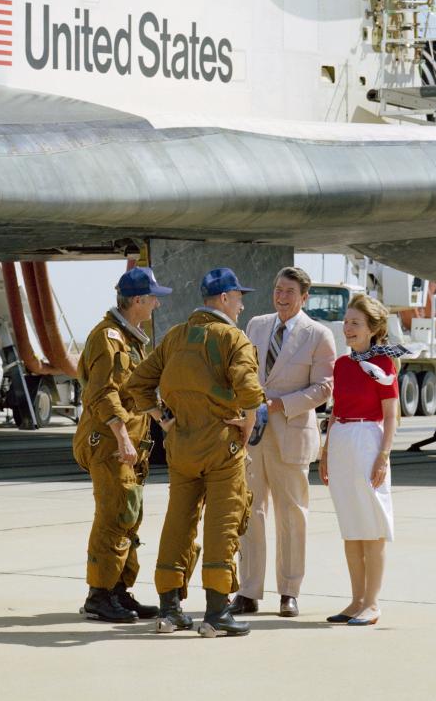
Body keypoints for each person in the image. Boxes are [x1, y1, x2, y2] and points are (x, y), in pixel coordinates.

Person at [126, 267, 266, 637]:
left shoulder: (175, 336)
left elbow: (137, 384)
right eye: (238, 297)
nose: (240, 304)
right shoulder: (232, 339)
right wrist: (248, 426)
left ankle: (170, 611)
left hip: (182, 444)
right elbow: (251, 392)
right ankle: (217, 614)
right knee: (224, 521)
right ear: (224, 298)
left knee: (178, 521)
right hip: (221, 444)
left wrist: (164, 419)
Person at [230, 266, 335, 618]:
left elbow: (324, 388)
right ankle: (248, 590)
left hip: (290, 431)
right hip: (254, 435)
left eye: (289, 291)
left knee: (292, 516)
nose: (282, 296)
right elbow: (243, 372)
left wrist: (278, 404)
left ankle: (289, 591)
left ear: (304, 297)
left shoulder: (318, 335)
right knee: (251, 511)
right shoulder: (256, 326)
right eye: (278, 289)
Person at [72, 266, 172, 623]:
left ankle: (117, 589)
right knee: (114, 515)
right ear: (137, 301)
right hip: (110, 444)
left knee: (129, 514)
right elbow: (102, 393)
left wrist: (161, 419)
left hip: (129, 445)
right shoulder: (107, 338)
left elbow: (134, 390)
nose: (157, 304)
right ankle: (99, 595)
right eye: (153, 298)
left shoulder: (130, 338)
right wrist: (122, 437)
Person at [319, 293, 402, 627]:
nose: (347, 328)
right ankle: (355, 601)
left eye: (355, 323)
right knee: (352, 528)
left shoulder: (382, 365)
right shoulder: (341, 364)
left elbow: (391, 415)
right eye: (347, 322)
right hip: (341, 440)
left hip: (368, 440)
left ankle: (372, 602)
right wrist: (325, 452)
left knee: (372, 526)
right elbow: (336, 408)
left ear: (372, 328)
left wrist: (383, 456)